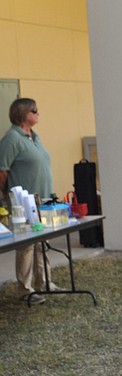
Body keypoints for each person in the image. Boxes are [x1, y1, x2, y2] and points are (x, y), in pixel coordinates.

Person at [0, 98, 57, 305]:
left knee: (43, 243)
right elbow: (2, 171)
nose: (38, 113)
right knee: (26, 246)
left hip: (43, 200)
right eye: (34, 110)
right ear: (23, 114)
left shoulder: (34, 137)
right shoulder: (12, 138)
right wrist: (6, 196)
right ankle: (25, 290)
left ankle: (45, 283)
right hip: (23, 203)